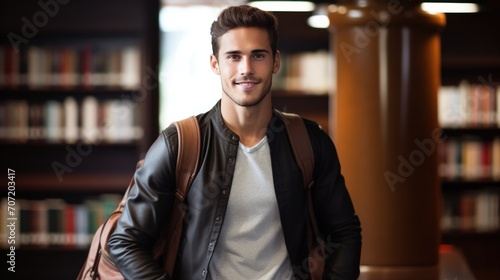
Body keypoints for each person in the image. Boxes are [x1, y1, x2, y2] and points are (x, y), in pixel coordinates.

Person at [108, 4, 362, 280]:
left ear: (275, 61)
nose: (246, 68)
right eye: (234, 56)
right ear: (215, 64)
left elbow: (344, 232)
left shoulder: (310, 142)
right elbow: (125, 241)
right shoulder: (180, 143)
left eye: (258, 55)